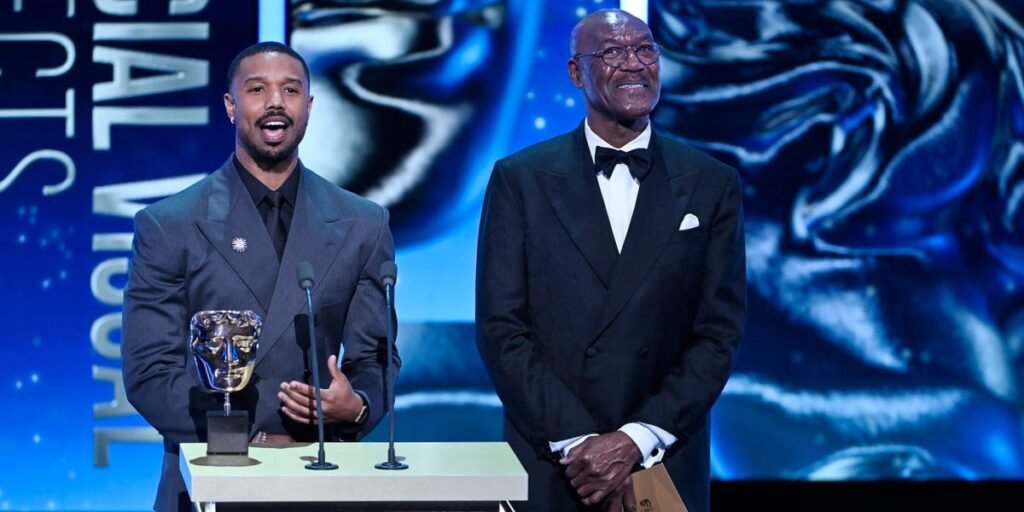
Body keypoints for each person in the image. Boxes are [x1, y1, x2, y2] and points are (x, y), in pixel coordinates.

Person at [475, 9, 745, 512]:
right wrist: (580, 443)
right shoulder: (521, 179)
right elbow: (501, 329)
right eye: (613, 52)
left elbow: (718, 332)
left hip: (662, 460)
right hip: (556, 461)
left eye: (645, 50)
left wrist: (635, 440)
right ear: (576, 73)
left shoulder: (711, 182)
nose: (634, 64)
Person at [122, 41, 398, 512]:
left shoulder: (362, 224)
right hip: (212, 476)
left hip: (322, 478)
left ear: (308, 107)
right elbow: (149, 372)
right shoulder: (169, 226)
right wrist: (246, 435)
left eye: (290, 90)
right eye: (257, 90)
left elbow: (376, 358)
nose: (275, 102)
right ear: (231, 106)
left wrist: (357, 406)